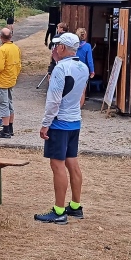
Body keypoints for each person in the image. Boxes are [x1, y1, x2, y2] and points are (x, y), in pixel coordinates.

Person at [35, 33, 89, 224]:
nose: (55, 48)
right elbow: (81, 97)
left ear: (63, 48)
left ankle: (59, 211)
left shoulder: (60, 69)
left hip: (60, 123)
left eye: (57, 45)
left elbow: (54, 101)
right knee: (72, 162)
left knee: (57, 165)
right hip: (75, 121)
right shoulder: (83, 67)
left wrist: (46, 124)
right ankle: (75, 206)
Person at [0, 27, 22, 139]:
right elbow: (19, 65)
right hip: (11, 80)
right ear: (11, 36)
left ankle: (5, 130)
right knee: (9, 103)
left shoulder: (2, 50)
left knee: (3, 104)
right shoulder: (16, 48)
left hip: (2, 81)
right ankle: (10, 128)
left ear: (1, 37)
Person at [76, 27, 95, 107]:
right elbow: (90, 60)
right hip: (84, 70)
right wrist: (92, 71)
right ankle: (79, 107)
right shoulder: (87, 46)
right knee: (83, 90)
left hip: (74, 68)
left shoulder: (74, 45)